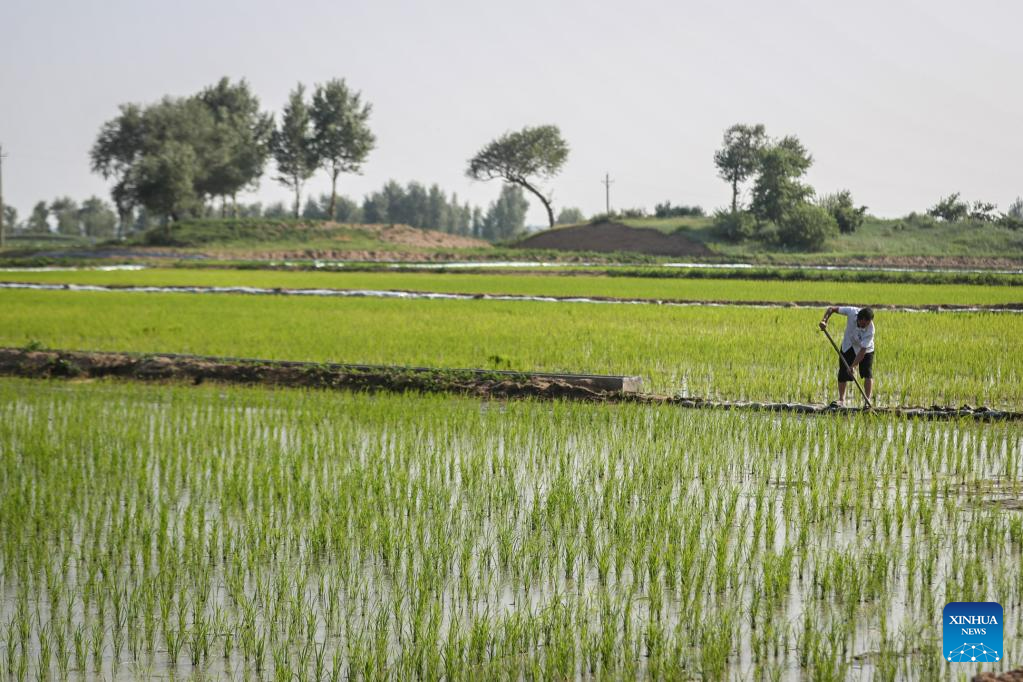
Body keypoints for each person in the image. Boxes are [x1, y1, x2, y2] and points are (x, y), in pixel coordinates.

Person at [819, 306, 874, 406]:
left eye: (867, 324)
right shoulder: (852, 312)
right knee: (843, 372)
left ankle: (867, 401)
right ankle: (841, 400)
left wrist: (853, 366)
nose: (865, 326)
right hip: (848, 345)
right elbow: (832, 309)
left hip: (865, 350)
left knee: (867, 373)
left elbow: (862, 352)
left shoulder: (870, 330)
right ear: (858, 319)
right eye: (863, 324)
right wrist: (824, 320)